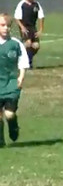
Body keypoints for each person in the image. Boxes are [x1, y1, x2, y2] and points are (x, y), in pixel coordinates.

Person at [0, 13, 30, 147]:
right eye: (2, 25)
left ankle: (13, 126)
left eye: (8, 25)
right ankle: (0, 140)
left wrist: (21, 77)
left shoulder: (15, 43)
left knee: (9, 114)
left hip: (12, 83)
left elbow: (23, 62)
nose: (6, 28)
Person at [14, 0, 45, 69]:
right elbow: (16, 18)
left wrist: (41, 29)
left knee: (36, 46)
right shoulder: (22, 4)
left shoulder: (36, 5)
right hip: (24, 28)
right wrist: (22, 27)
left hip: (33, 28)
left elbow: (41, 17)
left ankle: (27, 60)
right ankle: (27, 62)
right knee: (28, 43)